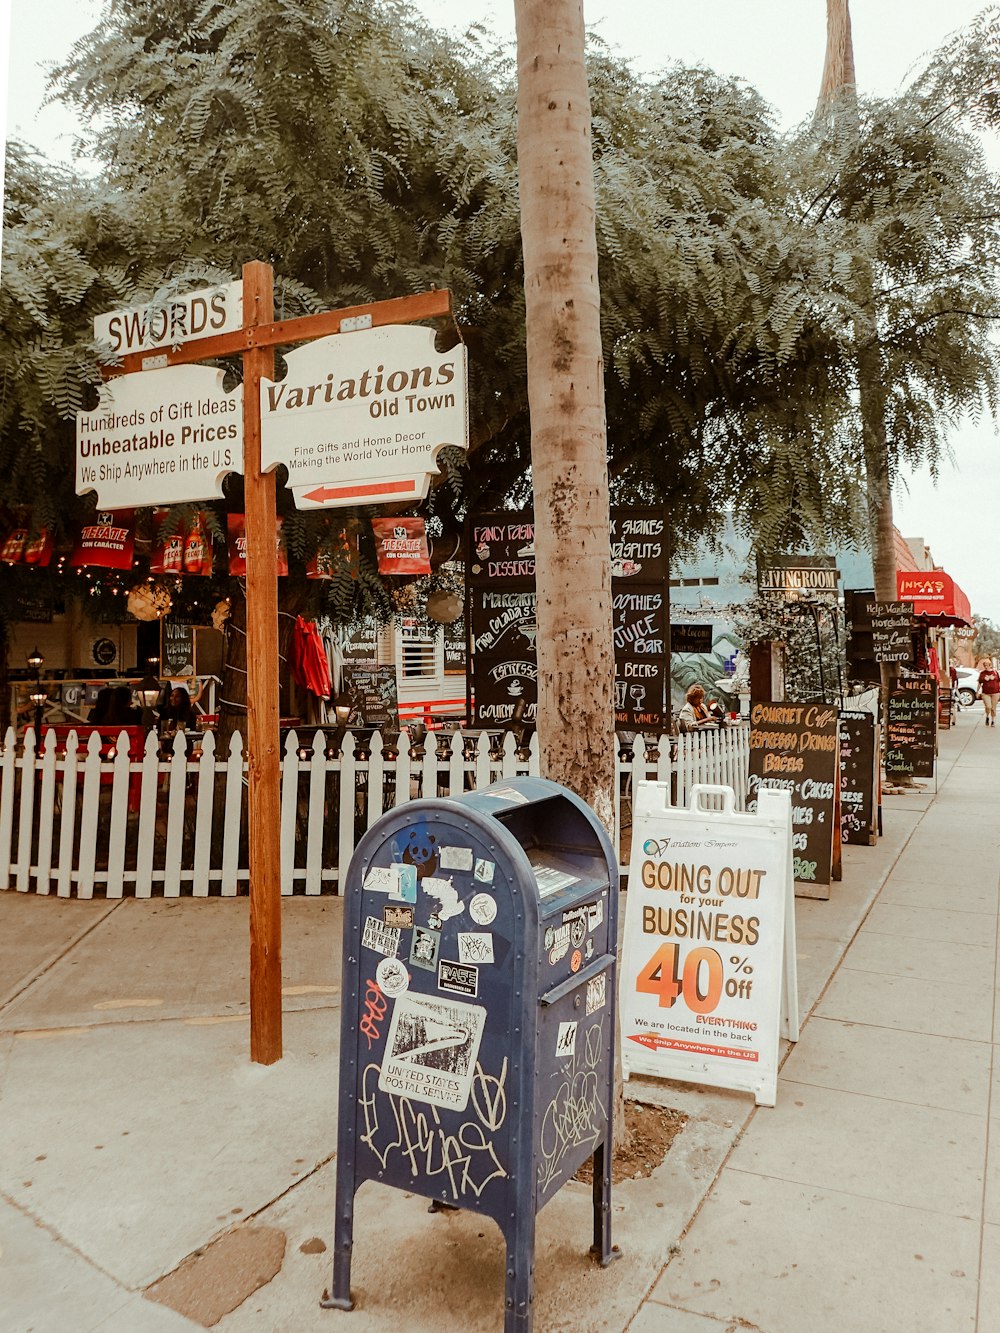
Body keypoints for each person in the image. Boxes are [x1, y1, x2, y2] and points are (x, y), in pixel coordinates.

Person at [978, 658, 1000, 727]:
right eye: (984, 665)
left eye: (987, 665)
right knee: (988, 706)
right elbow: (979, 683)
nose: (985, 667)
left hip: (995, 692)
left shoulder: (995, 672)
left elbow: (998, 681)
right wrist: (977, 691)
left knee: (993, 707)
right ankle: (987, 716)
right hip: (986, 693)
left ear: (990, 665)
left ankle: (993, 720)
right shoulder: (982, 673)